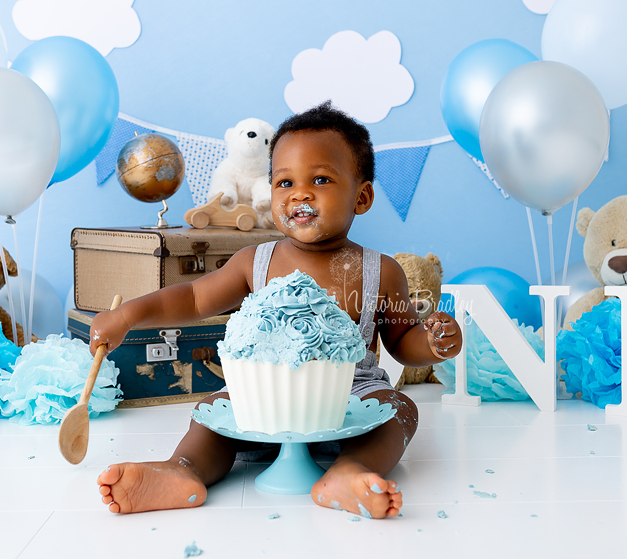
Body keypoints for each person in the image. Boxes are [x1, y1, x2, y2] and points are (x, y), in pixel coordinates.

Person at [91, 101, 462, 518]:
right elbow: (193, 298)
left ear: (362, 196)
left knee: (399, 408)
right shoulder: (255, 262)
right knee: (212, 411)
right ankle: (183, 469)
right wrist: (128, 316)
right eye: (284, 182)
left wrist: (432, 343)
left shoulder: (381, 270)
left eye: (320, 179)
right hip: (263, 393)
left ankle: (350, 470)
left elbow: (402, 342)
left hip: (351, 394)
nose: (300, 193)